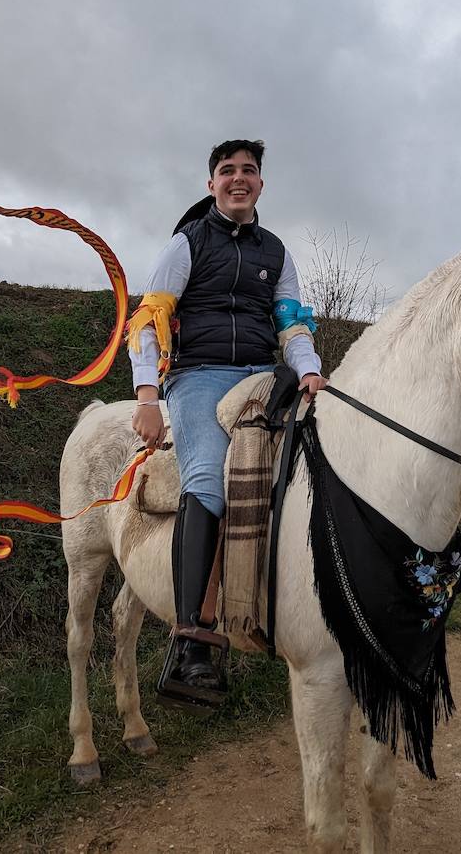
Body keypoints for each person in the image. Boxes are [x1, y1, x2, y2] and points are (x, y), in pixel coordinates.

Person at [126, 138, 325, 702]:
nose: (240, 178)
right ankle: (193, 639)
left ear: (261, 184)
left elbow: (291, 321)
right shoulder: (187, 243)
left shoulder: (278, 252)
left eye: (250, 171)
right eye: (227, 171)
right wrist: (146, 395)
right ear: (211, 183)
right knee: (210, 481)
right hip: (199, 375)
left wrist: (308, 369)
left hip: (263, 373)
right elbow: (150, 317)